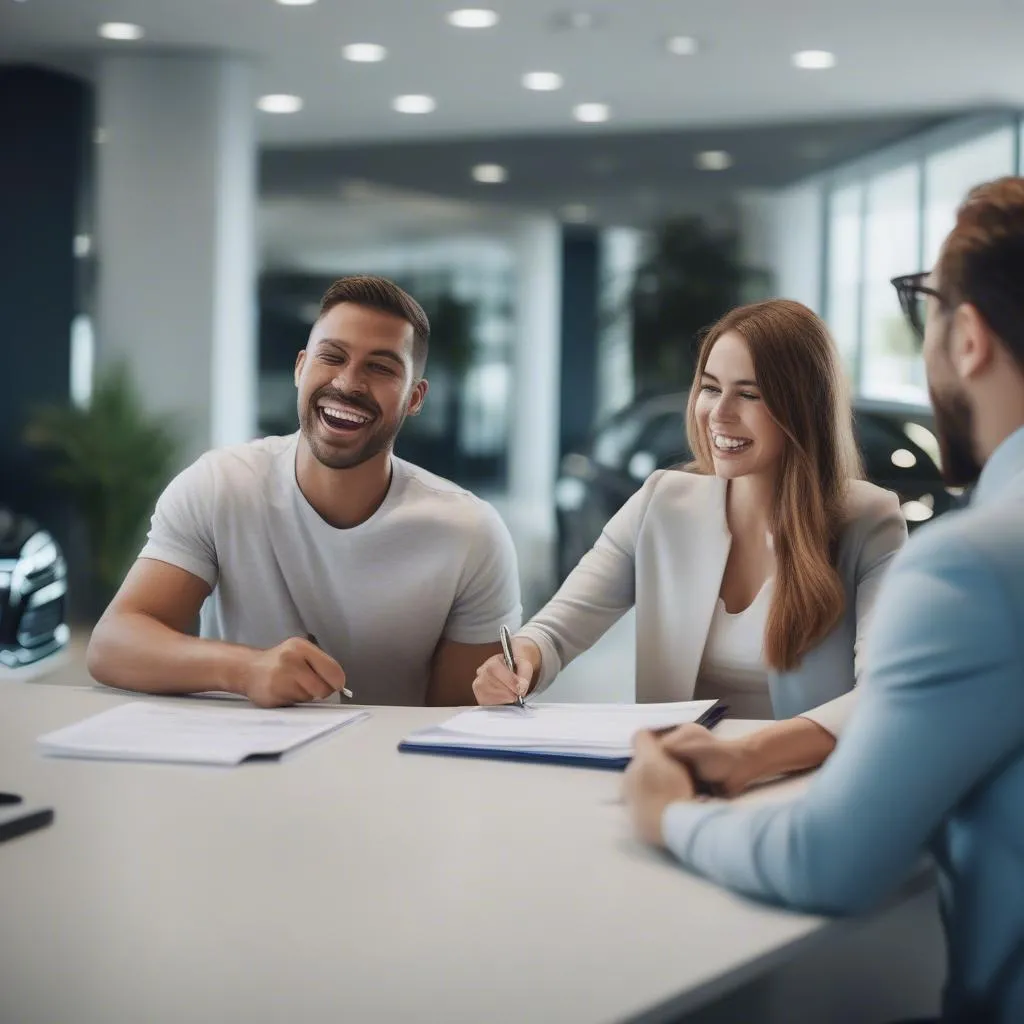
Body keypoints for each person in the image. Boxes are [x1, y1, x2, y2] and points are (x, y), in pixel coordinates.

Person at [624, 177, 1024, 1023]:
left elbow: (827, 860)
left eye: (927, 309)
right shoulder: (669, 499)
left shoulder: (974, 569)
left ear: (971, 339)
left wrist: (669, 818)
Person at [474, 299, 907, 793]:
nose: (718, 414)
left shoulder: (870, 520)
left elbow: (884, 692)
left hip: (808, 791)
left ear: (802, 407)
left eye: (750, 394)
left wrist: (743, 756)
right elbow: (555, 631)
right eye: (709, 388)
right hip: (679, 783)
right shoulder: (662, 500)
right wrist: (521, 661)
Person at [87, 275, 521, 708]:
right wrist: (246, 669)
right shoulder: (222, 485)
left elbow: (460, 725)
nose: (348, 384)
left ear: (414, 398)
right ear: (300, 368)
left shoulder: (471, 534)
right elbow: (113, 644)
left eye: (381, 367)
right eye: (332, 357)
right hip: (234, 764)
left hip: (387, 771)